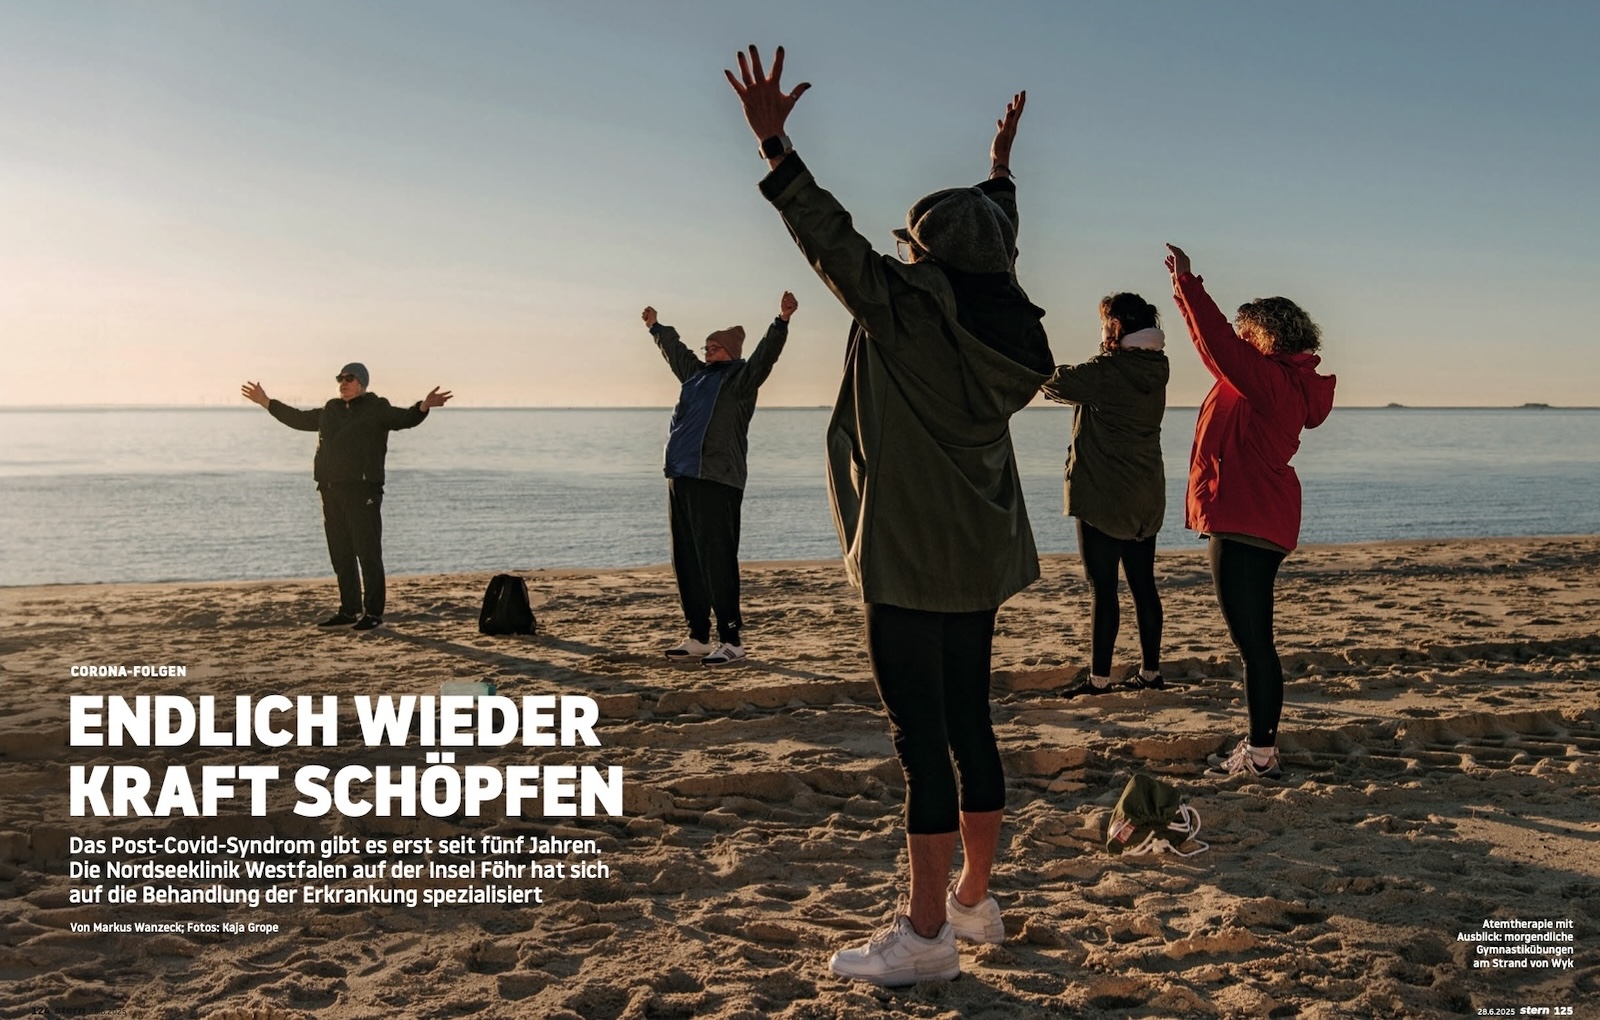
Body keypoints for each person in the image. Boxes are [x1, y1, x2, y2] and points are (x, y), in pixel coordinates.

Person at [726, 46, 1052, 986]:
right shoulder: (1009, 325)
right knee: (972, 726)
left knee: (923, 746)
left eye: (912, 245)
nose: (902, 254)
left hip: (908, 553)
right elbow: (996, 252)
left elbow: (829, 238)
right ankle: (976, 904)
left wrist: (775, 144)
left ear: (927, 259)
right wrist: (1001, 175)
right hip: (979, 548)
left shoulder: (908, 310)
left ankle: (923, 938)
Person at [1164, 243, 1336, 778]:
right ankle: (1260, 748)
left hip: (1248, 521)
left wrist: (1191, 286)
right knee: (1254, 641)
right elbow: (1213, 348)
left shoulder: (1271, 381)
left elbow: (1219, 344)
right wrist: (1182, 294)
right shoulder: (1266, 378)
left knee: (1254, 644)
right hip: (1253, 516)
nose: (1237, 340)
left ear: (1263, 334)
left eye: (1245, 332)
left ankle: (1261, 754)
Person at [643, 292, 795, 666]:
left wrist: (781, 321)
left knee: (717, 558)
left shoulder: (742, 381)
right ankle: (697, 634)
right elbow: (676, 353)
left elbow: (765, 357)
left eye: (714, 347)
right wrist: (655, 328)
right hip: (681, 475)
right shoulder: (695, 376)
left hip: (718, 478)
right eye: (707, 346)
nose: (708, 351)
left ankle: (731, 639)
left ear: (730, 351)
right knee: (687, 558)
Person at [240, 365, 451, 631]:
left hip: (363, 491)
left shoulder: (377, 408)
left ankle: (373, 613)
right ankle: (349, 609)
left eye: (349, 379)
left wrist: (423, 406)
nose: (343, 383)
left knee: (368, 553)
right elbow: (299, 419)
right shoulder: (331, 410)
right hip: (330, 490)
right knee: (341, 554)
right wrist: (267, 403)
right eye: (340, 379)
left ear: (362, 383)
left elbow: (404, 419)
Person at [1041, 293, 1169, 697]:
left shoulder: (1109, 370)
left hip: (1104, 498)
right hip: (1145, 496)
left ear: (1115, 328)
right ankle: (1150, 673)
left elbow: (1054, 381)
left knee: (1103, 588)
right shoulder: (1157, 367)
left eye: (1104, 323)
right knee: (1143, 585)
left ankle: (1099, 679)